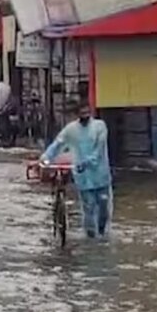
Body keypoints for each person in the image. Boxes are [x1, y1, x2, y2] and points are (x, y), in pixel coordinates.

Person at [39, 102, 112, 239]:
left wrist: (86, 162)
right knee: (88, 208)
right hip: (83, 178)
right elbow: (58, 144)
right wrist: (46, 157)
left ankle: (102, 234)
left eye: (87, 113)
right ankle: (91, 238)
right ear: (77, 115)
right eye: (82, 113)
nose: (85, 116)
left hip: (100, 175)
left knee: (103, 208)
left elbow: (99, 150)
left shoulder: (100, 126)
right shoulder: (71, 130)